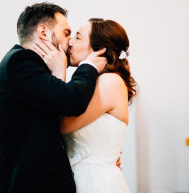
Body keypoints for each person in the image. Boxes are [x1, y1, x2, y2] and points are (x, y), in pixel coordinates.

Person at [0, 3, 107, 193]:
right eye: (66, 33)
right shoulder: (20, 61)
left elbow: (55, 120)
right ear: (43, 32)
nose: (70, 42)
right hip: (19, 184)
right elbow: (72, 101)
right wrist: (88, 67)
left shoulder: (30, 67)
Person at [35, 18, 136, 192]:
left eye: (78, 37)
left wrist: (59, 72)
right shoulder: (89, 83)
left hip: (97, 182)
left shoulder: (110, 81)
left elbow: (63, 124)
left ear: (100, 49)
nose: (70, 42)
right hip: (79, 178)